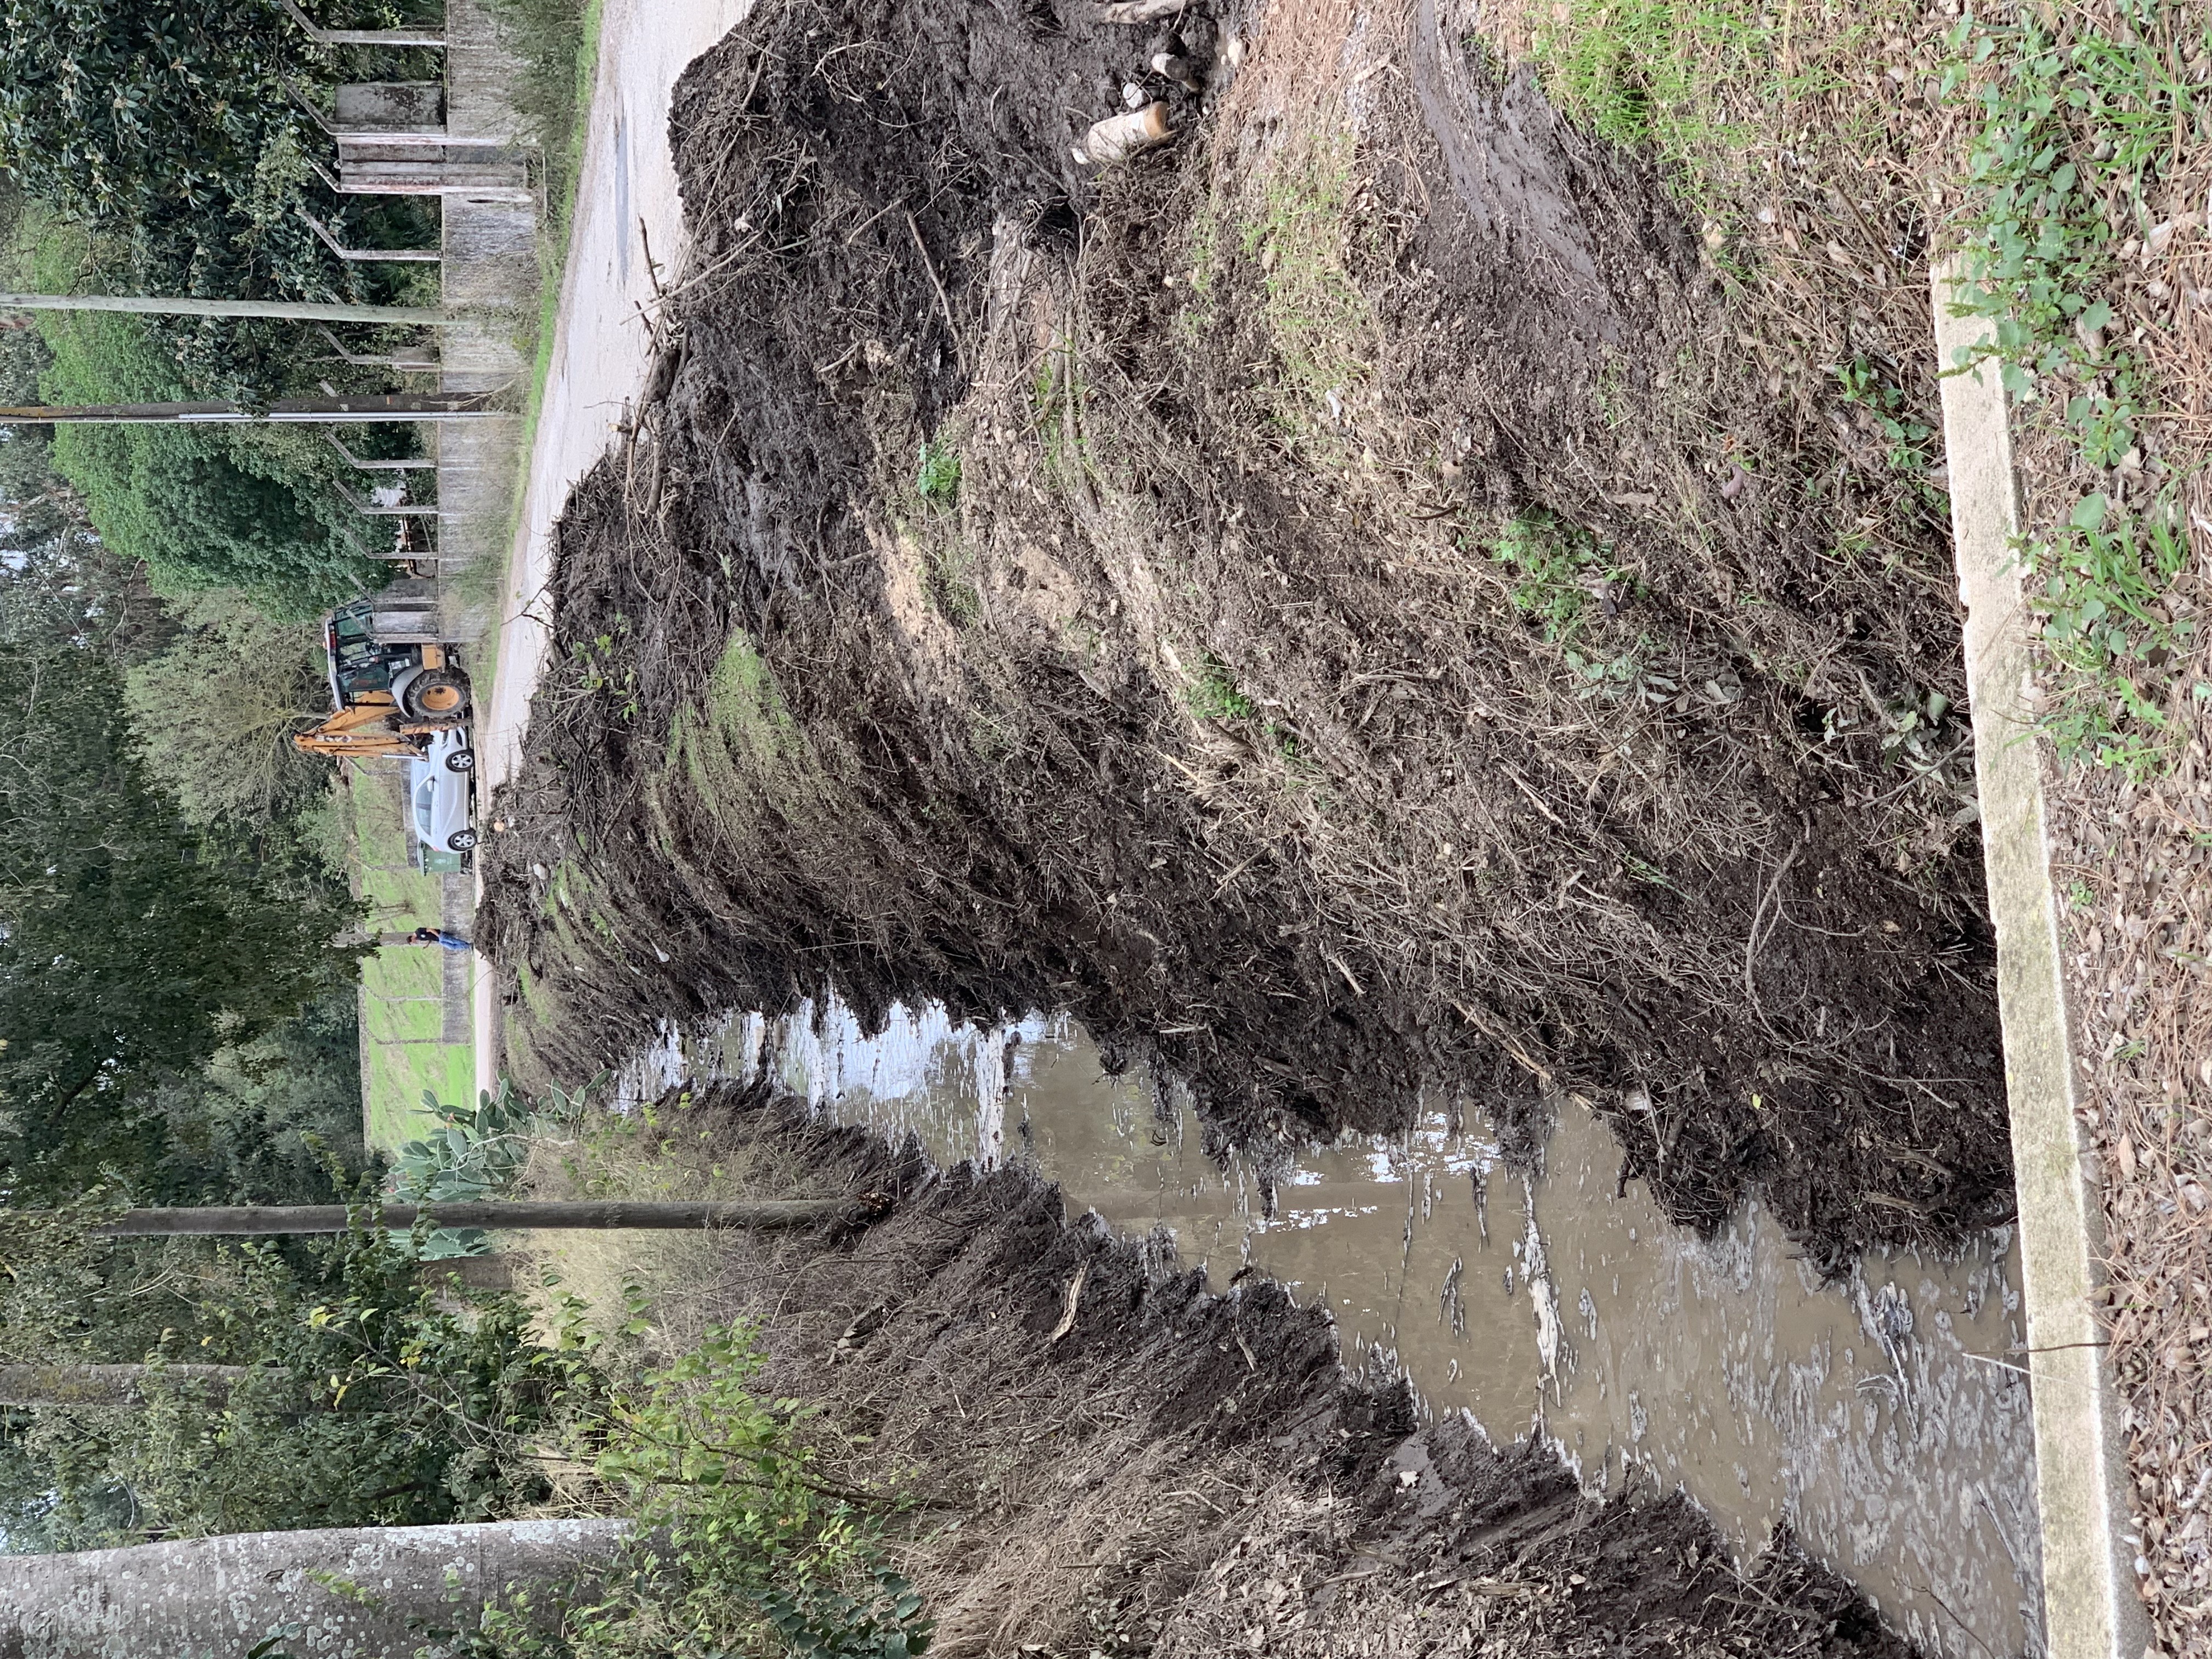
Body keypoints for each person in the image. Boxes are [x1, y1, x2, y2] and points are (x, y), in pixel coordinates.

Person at [409, 926, 473, 952]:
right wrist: (427, 945)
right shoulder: (420, 938)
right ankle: (466, 946)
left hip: (440, 935)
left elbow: (431, 930)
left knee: (453, 941)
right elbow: (429, 938)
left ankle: (469, 945)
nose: (414, 942)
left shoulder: (419, 931)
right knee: (452, 947)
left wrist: (439, 936)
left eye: (413, 942)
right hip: (439, 940)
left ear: (412, 938)